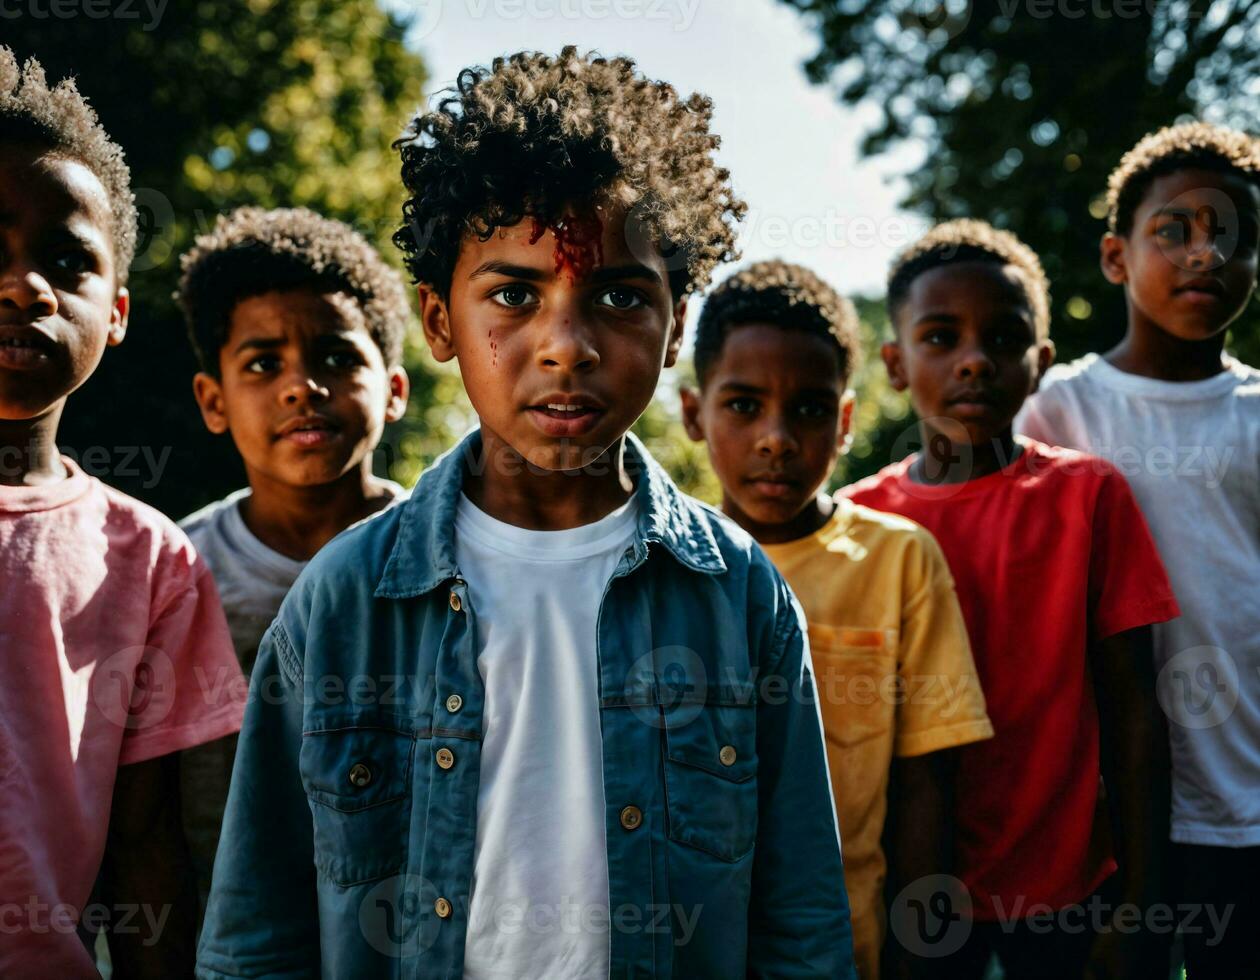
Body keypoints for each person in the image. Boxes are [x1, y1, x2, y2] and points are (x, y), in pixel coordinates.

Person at [197, 47, 856, 979]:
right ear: (437, 323)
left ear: (674, 326)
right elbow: (257, 936)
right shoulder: (342, 601)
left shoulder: (741, 597)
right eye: (514, 295)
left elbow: (802, 929)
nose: (566, 346)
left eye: (620, 296)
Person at [844, 220, 1179, 979]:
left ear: (1040, 362)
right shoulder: (860, 522)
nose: (973, 360)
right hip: (916, 900)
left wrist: (1144, 902)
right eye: (940, 337)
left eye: (1002, 338)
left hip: (1071, 894)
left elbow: (1134, 710)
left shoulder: (1088, 496)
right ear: (895, 364)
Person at [0, 47, 244, 978]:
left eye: (68, 262)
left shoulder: (149, 561)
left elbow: (148, 859)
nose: (28, 287)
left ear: (119, 313)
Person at [680, 259, 993, 979]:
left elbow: (926, 786)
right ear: (695, 413)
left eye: (812, 409)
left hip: (851, 950)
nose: (777, 438)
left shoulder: (899, 561)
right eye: (743, 405)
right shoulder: (665, 567)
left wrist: (917, 954)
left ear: (847, 419)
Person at [1016, 122, 1260, 980]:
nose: (1205, 255)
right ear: (1117, 257)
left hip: (1250, 805)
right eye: (1176, 231)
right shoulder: (1059, 408)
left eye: (1232, 236)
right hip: (1113, 811)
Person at [175, 205, 411, 920]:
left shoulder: (449, 555)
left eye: (338, 358)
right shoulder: (181, 572)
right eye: (262, 363)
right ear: (213, 401)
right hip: (232, 931)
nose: (301, 385)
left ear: (394, 389)